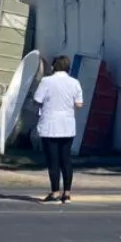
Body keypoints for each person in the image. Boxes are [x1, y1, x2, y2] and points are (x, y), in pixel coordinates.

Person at [33, 55, 84, 203]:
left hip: (50, 124)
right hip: (67, 124)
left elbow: (37, 99)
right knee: (66, 159)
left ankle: (55, 192)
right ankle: (67, 193)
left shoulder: (46, 81)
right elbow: (79, 104)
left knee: (53, 161)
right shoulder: (74, 82)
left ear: (54, 66)